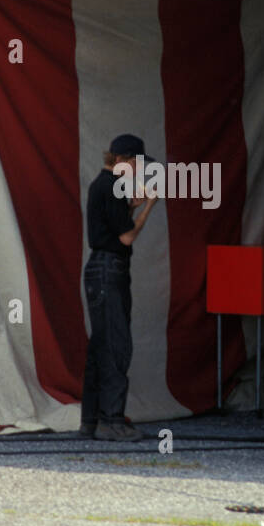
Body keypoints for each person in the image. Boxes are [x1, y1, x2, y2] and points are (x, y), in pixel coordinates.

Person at [80, 134, 159, 440]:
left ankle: (91, 419)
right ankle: (111, 421)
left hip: (99, 269)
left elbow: (111, 227)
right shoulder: (112, 186)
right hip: (110, 269)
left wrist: (130, 207)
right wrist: (149, 205)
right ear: (125, 160)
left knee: (100, 345)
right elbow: (126, 238)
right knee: (116, 346)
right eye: (137, 164)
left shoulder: (103, 184)